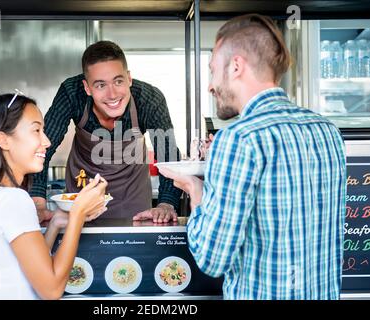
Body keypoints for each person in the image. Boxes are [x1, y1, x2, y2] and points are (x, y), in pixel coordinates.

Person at [159, 14, 347, 300]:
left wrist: (197, 193)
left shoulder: (238, 139)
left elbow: (212, 259)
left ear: (236, 66)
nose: (211, 85)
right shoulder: (327, 131)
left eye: (213, 70)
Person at [0, 93, 108, 299]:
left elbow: (26, 266)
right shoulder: (12, 199)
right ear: (3, 140)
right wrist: (78, 213)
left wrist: (56, 224)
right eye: (36, 130)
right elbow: (51, 289)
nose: (47, 141)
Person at [30, 40, 182, 224]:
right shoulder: (72, 93)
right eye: (101, 85)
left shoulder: (148, 99)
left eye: (118, 81)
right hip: (83, 195)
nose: (112, 94)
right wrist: (37, 202)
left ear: (129, 79)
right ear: (87, 88)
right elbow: (43, 146)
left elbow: (169, 154)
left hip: (132, 197)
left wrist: (167, 203)